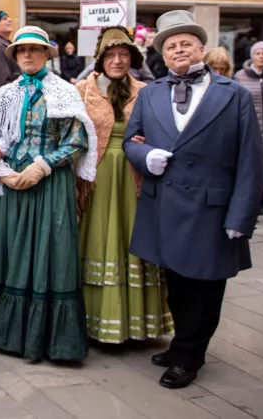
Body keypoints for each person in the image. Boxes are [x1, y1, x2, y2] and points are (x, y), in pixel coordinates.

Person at [125, 10, 263, 389]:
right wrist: (145, 156)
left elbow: (250, 160)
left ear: (202, 48)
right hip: (164, 206)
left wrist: (242, 216)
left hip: (211, 209)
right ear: (163, 56)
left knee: (204, 288)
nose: (178, 49)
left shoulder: (232, 94)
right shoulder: (150, 93)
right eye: (171, 46)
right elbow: (130, 141)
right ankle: (182, 343)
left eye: (186, 43)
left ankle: (189, 356)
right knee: (177, 285)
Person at [0, 25, 95, 363]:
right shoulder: (7, 93)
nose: (28, 55)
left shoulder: (65, 91)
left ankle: (52, 341)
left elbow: (77, 140)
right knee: (12, 254)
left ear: (47, 55)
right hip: (13, 185)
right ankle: (8, 336)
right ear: (14, 56)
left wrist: (43, 166)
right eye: (21, 51)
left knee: (50, 254)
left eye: (34, 50)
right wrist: (3, 173)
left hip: (50, 185)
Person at [75, 27, 172, 344]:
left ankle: (136, 323)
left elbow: (162, 132)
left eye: (124, 54)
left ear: (133, 57)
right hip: (96, 179)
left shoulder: (147, 91)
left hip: (134, 178)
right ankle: (93, 321)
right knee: (97, 241)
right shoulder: (82, 90)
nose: (117, 60)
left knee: (132, 242)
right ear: (100, 59)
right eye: (110, 55)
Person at [233, 41, 263, 215]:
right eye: (258, 53)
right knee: (257, 169)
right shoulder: (240, 76)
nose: (261, 56)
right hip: (252, 129)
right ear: (252, 55)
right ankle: (259, 202)